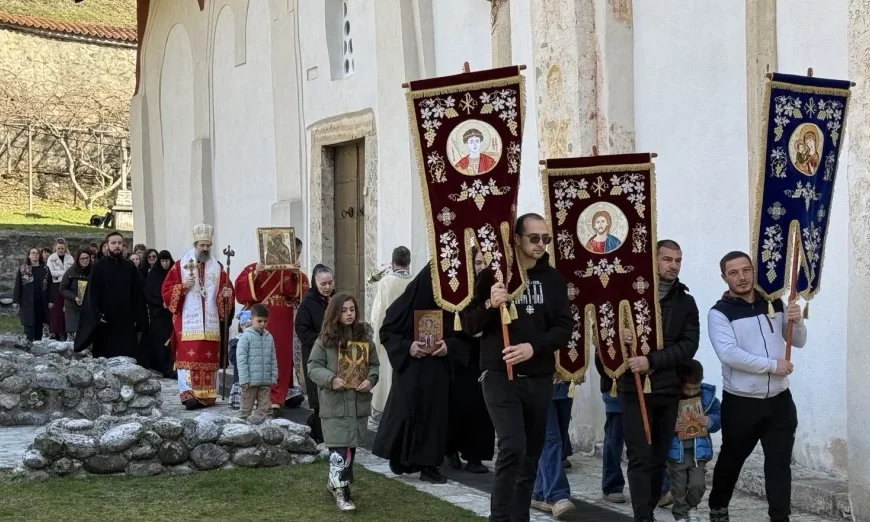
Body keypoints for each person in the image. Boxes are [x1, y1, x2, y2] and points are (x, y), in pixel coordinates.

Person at [461, 213, 573, 521]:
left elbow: (565, 327)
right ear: (518, 240)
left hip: (538, 376)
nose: (540, 244)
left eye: (545, 239)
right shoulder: (493, 277)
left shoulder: (553, 280)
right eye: (534, 238)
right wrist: (489, 304)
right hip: (499, 374)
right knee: (512, 445)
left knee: (531, 454)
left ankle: (519, 516)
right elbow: (469, 325)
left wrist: (532, 347)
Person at [707, 251, 805, 522]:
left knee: (779, 465)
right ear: (724, 277)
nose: (741, 277)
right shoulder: (719, 313)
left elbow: (797, 341)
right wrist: (773, 366)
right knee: (732, 459)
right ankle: (718, 505)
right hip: (742, 402)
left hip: (780, 401)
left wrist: (797, 320)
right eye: (733, 273)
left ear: (754, 271)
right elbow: (729, 354)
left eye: (746, 270)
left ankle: (779, 517)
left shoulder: (774, 301)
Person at [372, 259, 476, 485]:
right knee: (407, 415)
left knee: (433, 419)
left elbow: (465, 335)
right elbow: (388, 332)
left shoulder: (453, 308)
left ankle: (429, 465)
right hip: (411, 370)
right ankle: (402, 458)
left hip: (440, 372)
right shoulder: (406, 304)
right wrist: (408, 346)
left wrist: (448, 346)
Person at [620, 239, 699, 522]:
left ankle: (649, 507)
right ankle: (643, 516)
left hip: (667, 389)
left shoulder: (685, 302)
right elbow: (606, 349)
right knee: (640, 455)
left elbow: (688, 346)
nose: (673, 266)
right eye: (667, 259)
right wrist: (621, 340)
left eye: (678, 260)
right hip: (634, 389)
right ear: (653, 260)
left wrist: (651, 361)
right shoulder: (628, 298)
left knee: (658, 457)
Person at [308, 293, 380, 512]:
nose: (349, 314)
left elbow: (374, 365)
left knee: (350, 447)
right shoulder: (325, 340)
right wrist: (332, 379)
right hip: (335, 404)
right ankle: (342, 491)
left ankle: (336, 483)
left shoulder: (364, 338)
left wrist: (370, 380)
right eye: (344, 310)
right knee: (340, 450)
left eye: (352, 310)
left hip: (357, 403)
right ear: (335, 312)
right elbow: (313, 367)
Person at [161, 223, 235, 410]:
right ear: (195, 244)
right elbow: (166, 291)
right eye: (202, 245)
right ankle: (188, 395)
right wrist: (183, 286)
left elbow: (225, 293)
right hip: (187, 325)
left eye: (208, 246)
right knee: (189, 359)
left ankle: (208, 395)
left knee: (208, 357)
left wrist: (225, 296)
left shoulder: (217, 268)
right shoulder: (180, 265)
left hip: (209, 325)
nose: (205, 249)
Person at [235, 237, 308, 413]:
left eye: (297, 255)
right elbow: (240, 289)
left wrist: (296, 276)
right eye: (293, 254)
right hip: (262, 318)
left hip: (284, 317)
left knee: (282, 356)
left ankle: (281, 392)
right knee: (261, 356)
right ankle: (263, 394)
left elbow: (302, 293)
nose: (294, 258)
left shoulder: (293, 272)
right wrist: (255, 275)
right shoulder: (254, 268)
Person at [595, 354, 672, 506]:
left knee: (649, 439)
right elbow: (602, 355)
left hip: (645, 388)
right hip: (616, 387)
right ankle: (612, 485)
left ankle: (659, 487)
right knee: (615, 438)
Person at [445, 246, 494, 474]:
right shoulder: (458, 290)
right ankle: (451, 449)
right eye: (477, 263)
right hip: (462, 355)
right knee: (461, 405)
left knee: (483, 408)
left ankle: (476, 456)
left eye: (485, 262)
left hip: (485, 354)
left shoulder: (494, 289)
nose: (481, 267)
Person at [74, 232, 146, 358]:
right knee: (105, 357)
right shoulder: (98, 267)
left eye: (119, 243)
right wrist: (97, 314)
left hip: (126, 320)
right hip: (106, 320)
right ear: (107, 245)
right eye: (113, 243)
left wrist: (138, 316)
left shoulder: (130, 267)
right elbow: (92, 294)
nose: (117, 246)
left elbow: (138, 294)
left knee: (128, 357)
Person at [667, 360, 721, 522]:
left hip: (699, 450)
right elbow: (658, 420)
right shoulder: (670, 398)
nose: (691, 393)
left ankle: (691, 507)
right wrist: (671, 426)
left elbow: (719, 415)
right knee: (679, 486)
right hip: (677, 450)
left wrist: (709, 420)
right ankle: (681, 514)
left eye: (695, 388)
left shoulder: (708, 397)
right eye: (687, 389)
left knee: (698, 484)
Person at [369, 246, 414, 425]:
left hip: (389, 336)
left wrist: (376, 335)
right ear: (409, 261)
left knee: (387, 370)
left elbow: (378, 313)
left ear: (393, 261)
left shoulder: (386, 283)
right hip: (409, 339)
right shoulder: (415, 280)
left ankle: (385, 409)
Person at [295, 264, 335, 442]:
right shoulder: (307, 304)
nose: (327, 287)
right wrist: (323, 340)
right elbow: (302, 330)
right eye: (323, 284)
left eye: (330, 283)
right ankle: (319, 435)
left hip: (336, 355)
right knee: (319, 398)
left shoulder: (338, 299)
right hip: (316, 355)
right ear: (315, 283)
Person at [530, 380, 576, 519]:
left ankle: (538, 493)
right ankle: (557, 496)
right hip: (539, 384)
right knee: (551, 440)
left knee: (559, 439)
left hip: (565, 386)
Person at [236, 304, 278, 420]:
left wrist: (273, 376)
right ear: (251, 318)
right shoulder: (246, 337)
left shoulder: (269, 337)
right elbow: (241, 359)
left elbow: (273, 358)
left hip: (265, 382)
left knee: (266, 411)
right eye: (259, 321)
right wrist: (244, 379)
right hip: (250, 383)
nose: (262, 324)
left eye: (265, 321)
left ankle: (266, 433)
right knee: (245, 410)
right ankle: (238, 432)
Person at [143, 250, 175, 377]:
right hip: (158, 314)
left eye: (167, 261)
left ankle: (170, 367)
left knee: (171, 341)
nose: (165, 264)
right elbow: (148, 293)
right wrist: (160, 303)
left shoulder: (173, 273)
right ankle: (161, 366)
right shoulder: (154, 274)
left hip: (171, 314)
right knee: (159, 341)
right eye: (162, 261)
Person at [12, 247, 50, 343]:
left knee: (39, 324)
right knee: (28, 325)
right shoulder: (23, 269)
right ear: (29, 255)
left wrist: (51, 300)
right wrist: (16, 300)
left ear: (39, 255)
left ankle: (38, 345)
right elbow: (18, 285)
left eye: (37, 253)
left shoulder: (45, 269)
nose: (35, 255)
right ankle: (27, 344)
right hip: (27, 301)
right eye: (33, 253)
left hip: (41, 301)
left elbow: (50, 285)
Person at [59, 249, 92, 342]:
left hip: (88, 306)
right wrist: (74, 297)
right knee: (73, 333)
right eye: (82, 259)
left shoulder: (94, 270)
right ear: (78, 259)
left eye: (87, 258)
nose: (85, 260)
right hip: (72, 306)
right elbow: (62, 288)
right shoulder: (71, 271)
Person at [47, 239, 74, 340]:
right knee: (56, 311)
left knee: (66, 309)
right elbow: (51, 272)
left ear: (65, 248)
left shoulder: (70, 258)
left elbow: (72, 271)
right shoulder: (51, 258)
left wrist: (62, 273)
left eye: (62, 248)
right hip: (56, 286)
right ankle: (56, 333)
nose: (60, 250)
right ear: (55, 248)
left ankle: (67, 332)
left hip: (68, 285)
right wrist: (64, 273)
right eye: (58, 248)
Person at [228, 310, 253, 410]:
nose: (249, 329)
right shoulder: (236, 342)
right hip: (241, 373)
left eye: (251, 326)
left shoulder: (257, 340)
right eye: (247, 326)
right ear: (241, 326)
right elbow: (233, 358)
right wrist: (243, 362)